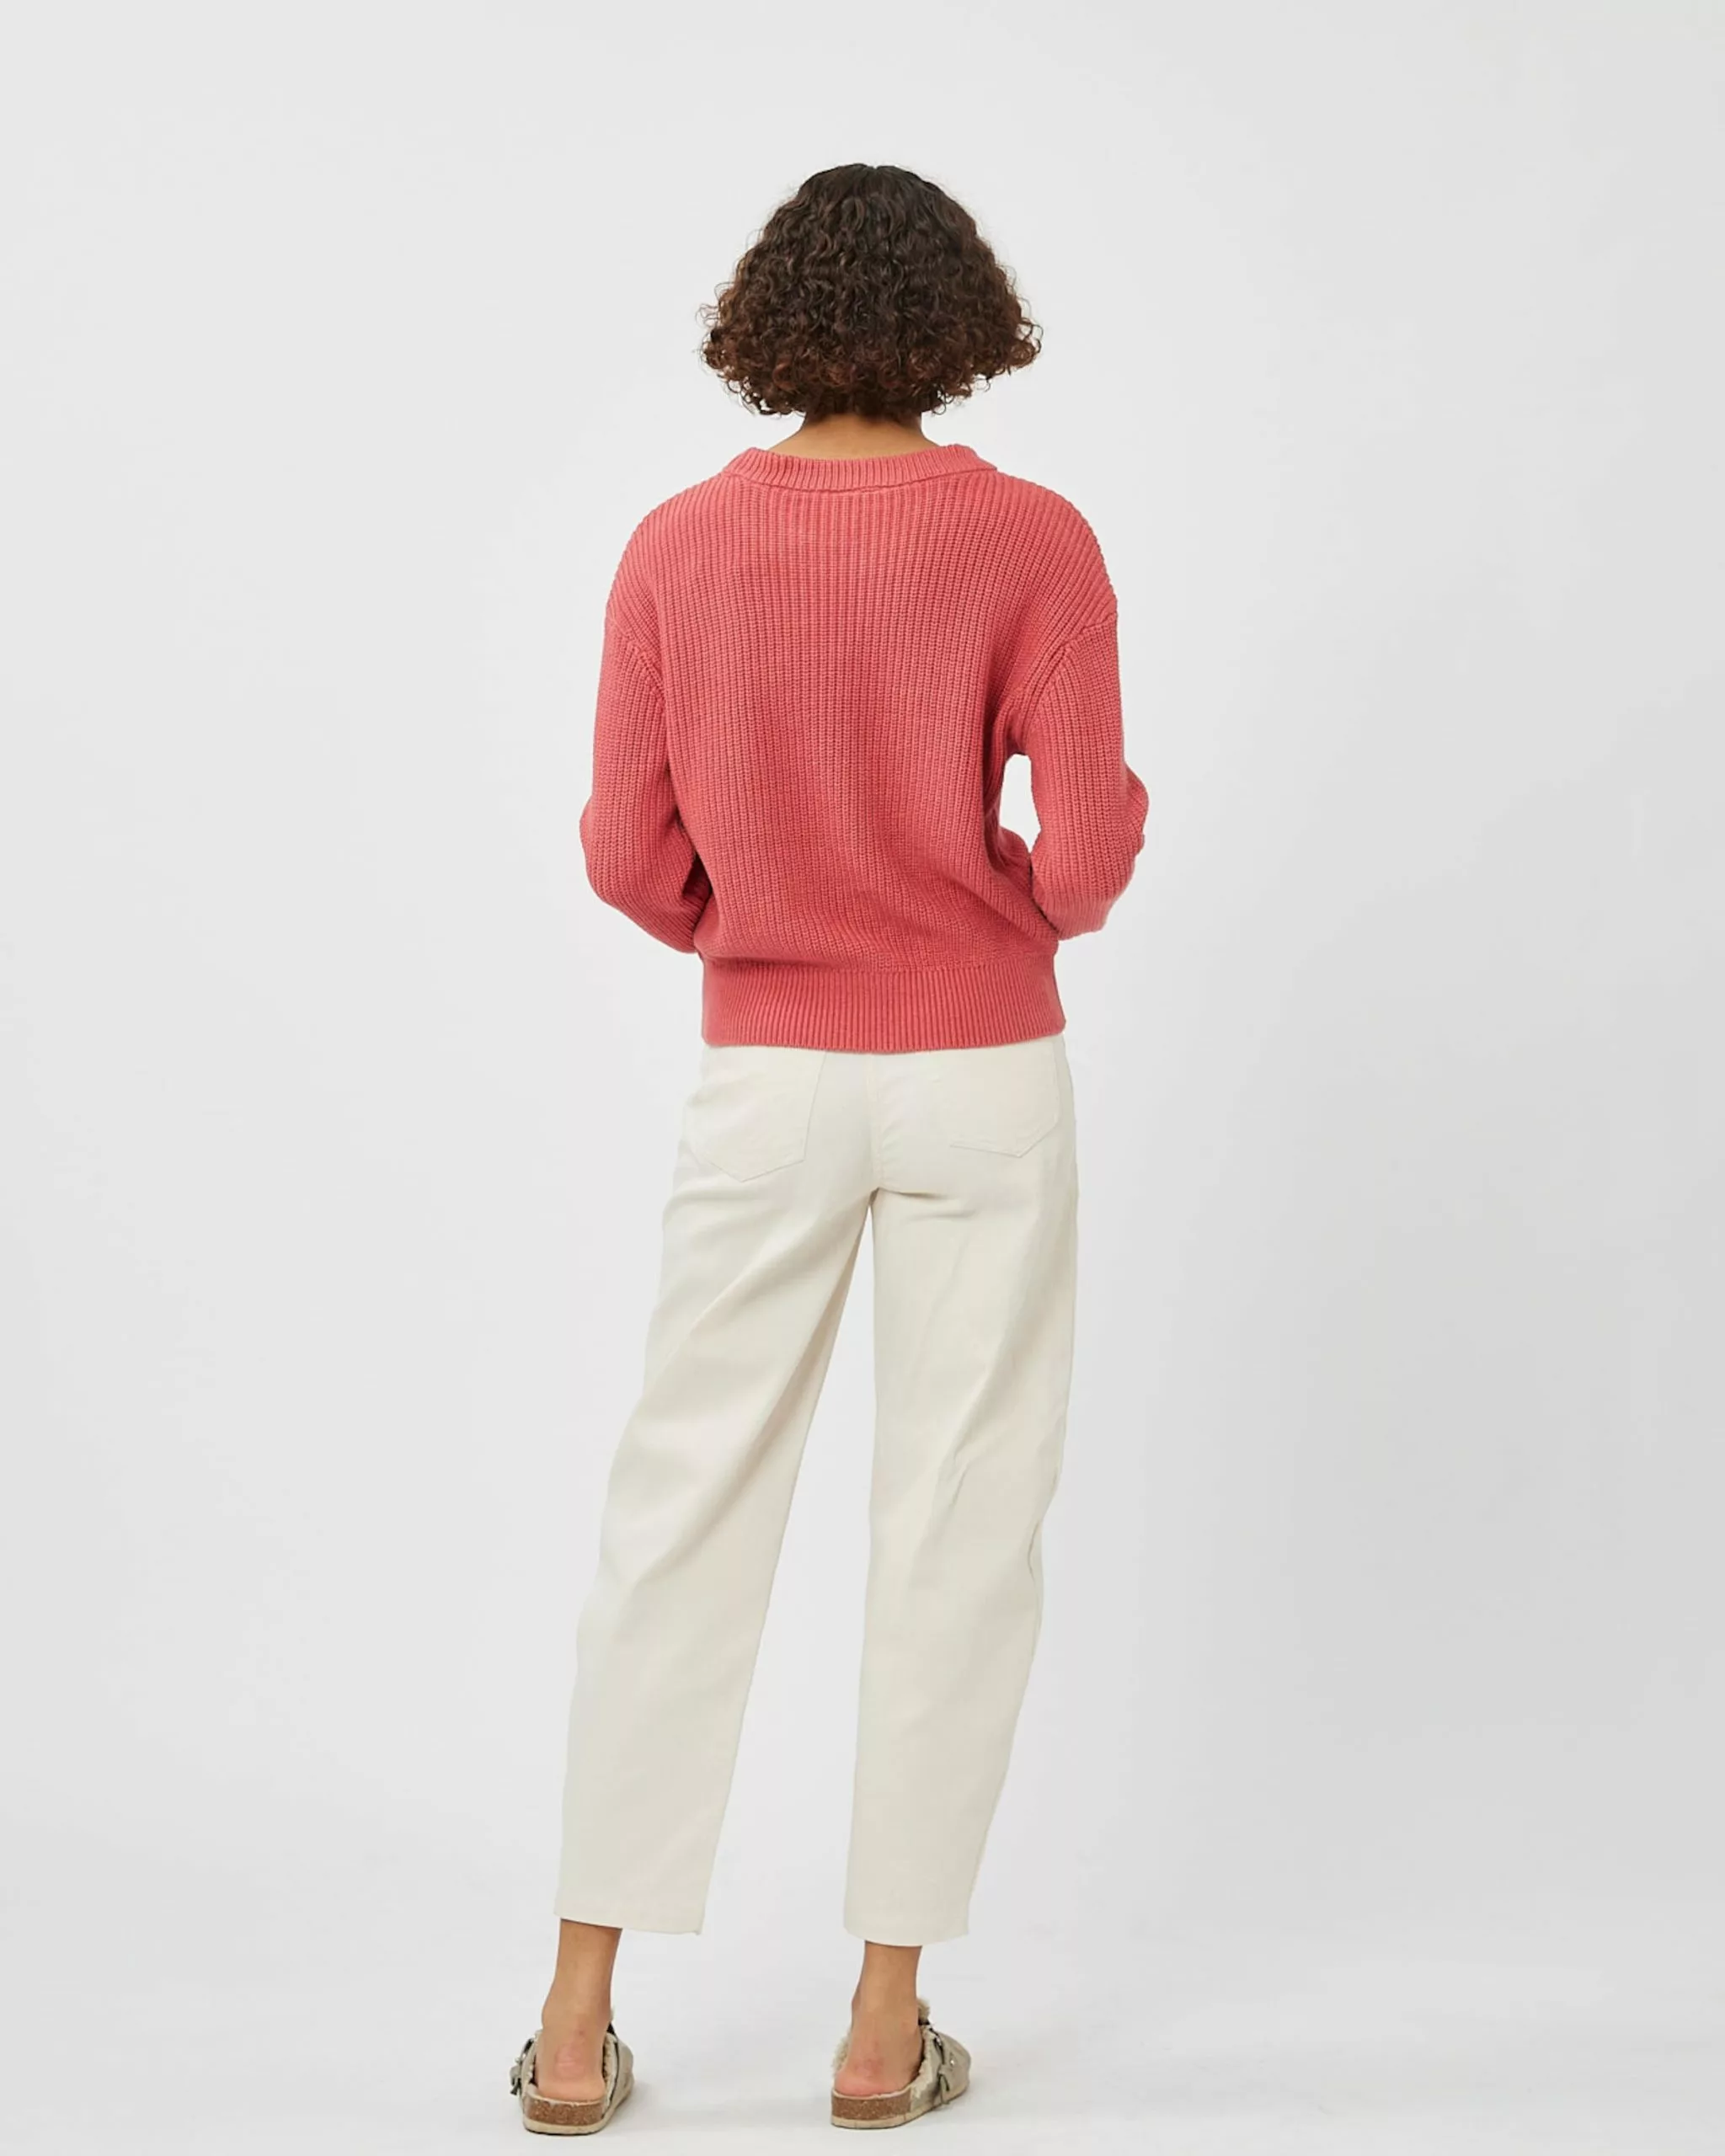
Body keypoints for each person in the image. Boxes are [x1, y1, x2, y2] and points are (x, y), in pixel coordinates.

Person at [508, 163, 1149, 2136]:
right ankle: (882, 2026)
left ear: (769, 319)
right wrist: (993, 899)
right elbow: (1089, 851)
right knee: (959, 1518)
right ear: (959, 320)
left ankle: (572, 2019)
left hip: (767, 1069)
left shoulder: (677, 546)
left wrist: (755, 920)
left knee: (679, 1503)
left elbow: (625, 851)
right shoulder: (1032, 537)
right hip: (981, 1065)